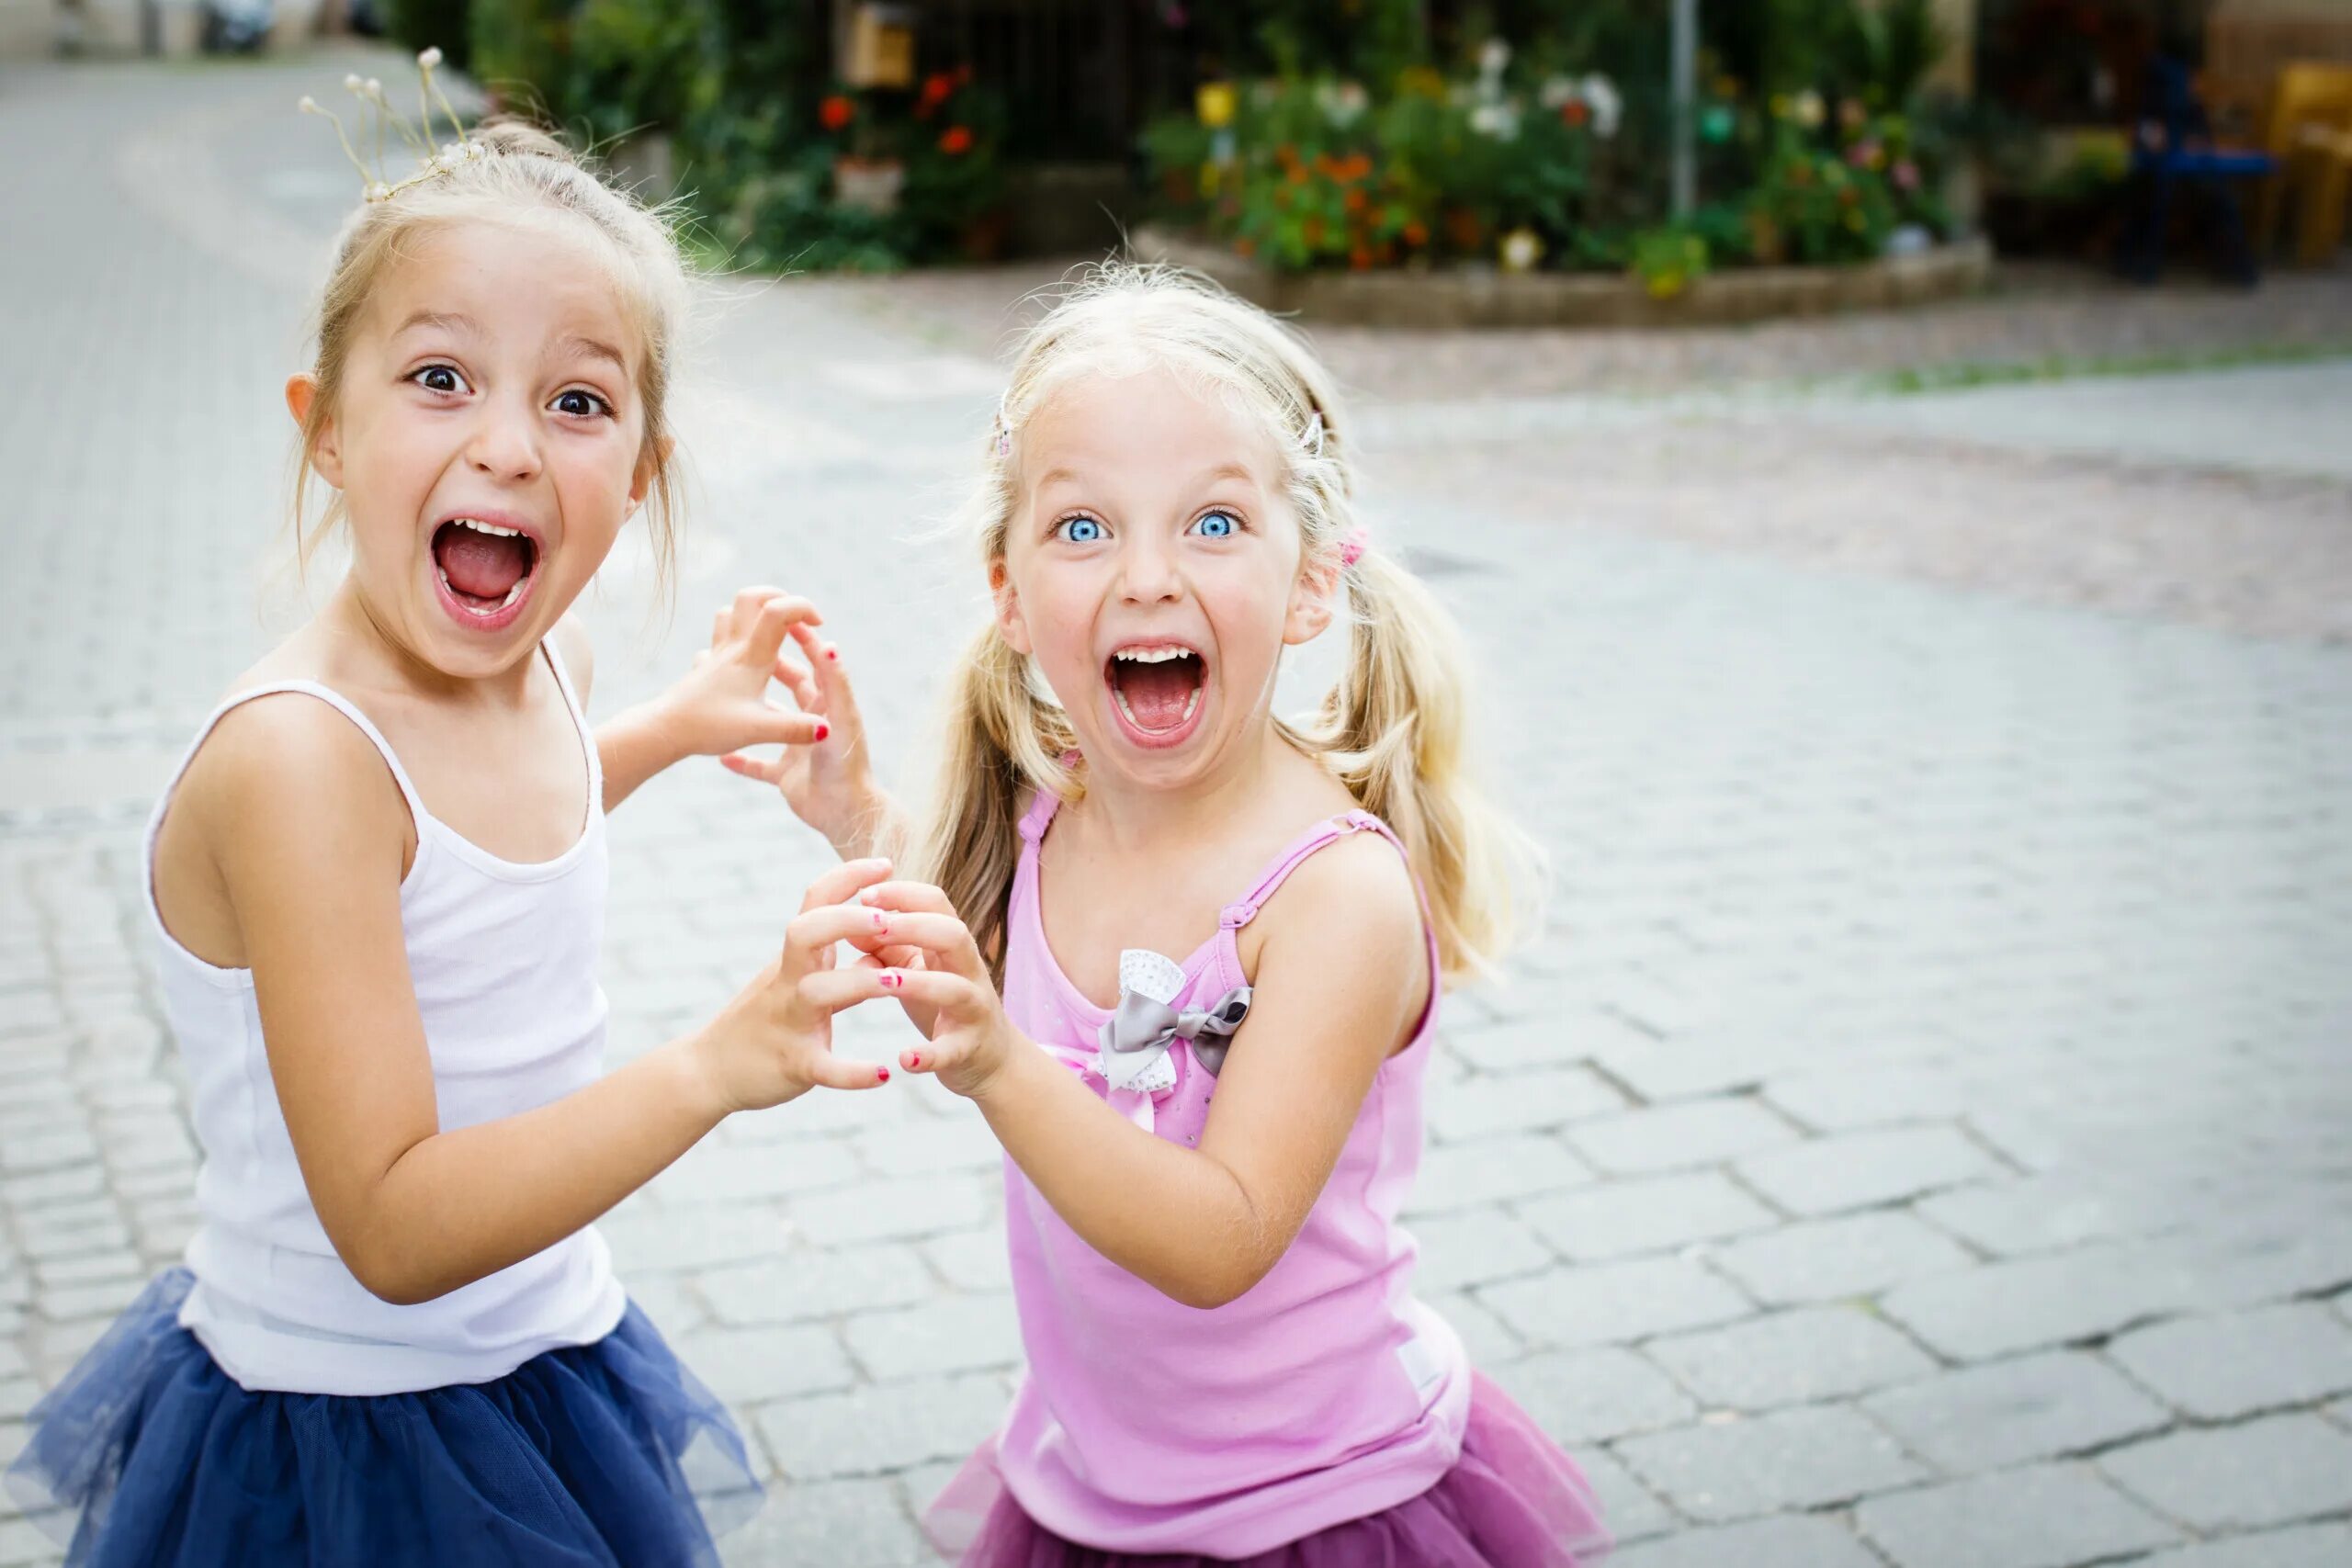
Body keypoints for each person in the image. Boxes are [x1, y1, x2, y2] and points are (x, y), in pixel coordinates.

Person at [6, 69, 893, 1567]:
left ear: (641, 474)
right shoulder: (301, 765)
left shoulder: (549, 658)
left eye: (579, 401)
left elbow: (490, 841)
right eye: (438, 379)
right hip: (341, 1439)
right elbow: (399, 1229)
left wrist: (670, 731)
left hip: (547, 1355)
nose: (507, 446)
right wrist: (720, 1065)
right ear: (328, 432)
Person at [741, 265, 1611, 1566]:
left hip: (1317, 1505)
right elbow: (976, 964)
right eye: (1084, 529)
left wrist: (995, 1066)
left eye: (1212, 524)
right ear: (1011, 594)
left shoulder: (1333, 897)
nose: (1147, 578)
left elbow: (1221, 1240)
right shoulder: (1046, 824)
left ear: (1311, 581)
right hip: (1087, 1484)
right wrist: (858, 815)